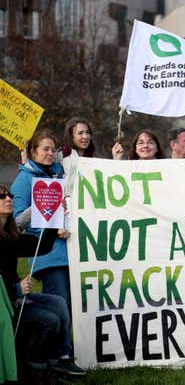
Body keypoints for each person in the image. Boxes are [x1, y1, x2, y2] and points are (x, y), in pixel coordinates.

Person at [0, 185, 85, 378]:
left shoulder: (11, 237)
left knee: (59, 303)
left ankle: (58, 361)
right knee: (50, 319)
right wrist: (16, 289)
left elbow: (43, 246)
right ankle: (35, 369)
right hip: (6, 304)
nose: (8, 199)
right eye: (2, 196)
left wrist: (54, 218)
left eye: (10, 195)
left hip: (16, 298)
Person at [9, 130, 76, 364]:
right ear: (33, 152)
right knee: (60, 302)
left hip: (71, 249)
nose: (49, 153)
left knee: (71, 305)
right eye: (44, 149)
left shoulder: (59, 173)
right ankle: (63, 355)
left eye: (52, 149)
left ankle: (68, 351)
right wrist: (48, 217)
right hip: (48, 253)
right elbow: (15, 221)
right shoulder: (23, 181)